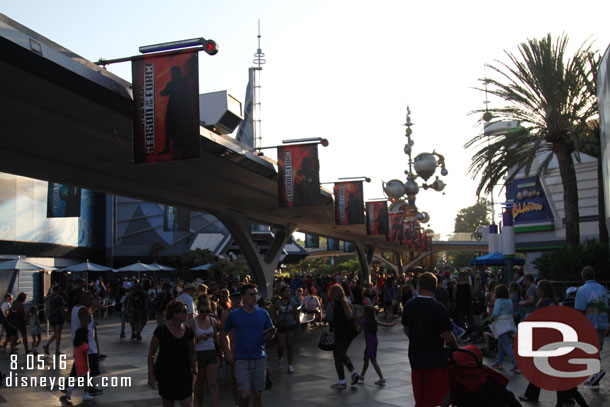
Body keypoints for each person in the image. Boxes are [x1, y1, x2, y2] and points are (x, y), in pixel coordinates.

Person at [520, 280, 589, 407]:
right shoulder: (554, 302)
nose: (536, 290)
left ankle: (534, 393)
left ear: (542, 290)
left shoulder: (543, 303)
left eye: (538, 288)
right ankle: (566, 395)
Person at [402, 272, 457, 407]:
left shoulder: (409, 305)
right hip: (435, 357)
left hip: (415, 356)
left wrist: (415, 338)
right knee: (435, 398)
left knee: (420, 397)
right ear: (435, 287)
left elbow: (406, 329)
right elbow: (447, 335)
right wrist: (454, 345)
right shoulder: (439, 308)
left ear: (419, 286)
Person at [223, 284, 276, 407]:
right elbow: (223, 333)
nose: (254, 297)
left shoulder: (263, 313)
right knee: (244, 394)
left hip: (259, 357)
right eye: (251, 294)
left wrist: (271, 334)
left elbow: (268, 336)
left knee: (258, 394)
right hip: (241, 359)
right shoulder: (234, 315)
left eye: (256, 294)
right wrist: (227, 351)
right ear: (243, 297)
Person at [148, 300, 196, 407]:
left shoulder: (188, 331)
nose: (187, 314)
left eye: (187, 311)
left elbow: (192, 353)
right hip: (166, 374)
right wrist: (150, 375)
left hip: (184, 373)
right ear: (174, 314)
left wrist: (194, 372)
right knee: (169, 404)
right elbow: (151, 354)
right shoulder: (161, 330)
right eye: (184, 311)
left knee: (188, 404)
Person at [575, 266, 608, 386]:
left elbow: (579, 310)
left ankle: (597, 372)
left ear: (582, 276)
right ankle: (596, 375)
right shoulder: (602, 289)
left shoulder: (582, 290)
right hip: (601, 323)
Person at [325, 284, 359, 390]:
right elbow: (352, 316)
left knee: (337, 356)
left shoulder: (332, 304)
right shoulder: (347, 303)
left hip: (339, 333)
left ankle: (342, 381)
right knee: (342, 353)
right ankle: (353, 373)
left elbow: (328, 318)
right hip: (351, 332)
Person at [188, 295, 219, 407]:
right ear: (198, 309)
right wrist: (199, 338)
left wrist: (221, 351)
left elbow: (216, 337)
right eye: (202, 311)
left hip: (211, 351)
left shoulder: (212, 320)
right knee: (200, 383)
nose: (205, 314)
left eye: (207, 311)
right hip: (198, 353)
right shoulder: (193, 322)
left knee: (213, 383)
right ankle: (200, 404)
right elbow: (188, 342)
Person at [357, 305, 394, 385]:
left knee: (373, 360)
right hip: (374, 341)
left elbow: (359, 331)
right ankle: (362, 375)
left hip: (369, 343)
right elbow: (383, 324)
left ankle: (381, 378)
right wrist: (390, 324)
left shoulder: (364, 321)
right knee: (366, 358)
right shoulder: (374, 320)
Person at [489, 284, 518, 372]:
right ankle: (499, 361)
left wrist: (491, 318)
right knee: (501, 344)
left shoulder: (499, 301)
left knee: (506, 345)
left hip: (501, 324)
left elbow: (496, 313)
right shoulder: (509, 300)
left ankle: (516, 363)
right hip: (510, 324)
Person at [60, 327, 94, 404]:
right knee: (85, 379)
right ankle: (83, 392)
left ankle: (73, 389)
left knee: (83, 379)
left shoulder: (76, 345)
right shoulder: (85, 345)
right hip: (83, 363)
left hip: (77, 363)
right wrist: (88, 365)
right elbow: (86, 356)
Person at [271, 285, 298, 373]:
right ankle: (280, 357)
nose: (287, 293)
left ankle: (290, 364)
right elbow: (274, 313)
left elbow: (296, 314)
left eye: (289, 291)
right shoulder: (278, 302)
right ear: (282, 293)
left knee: (290, 345)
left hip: (291, 324)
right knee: (281, 345)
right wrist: (274, 322)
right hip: (281, 325)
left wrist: (298, 324)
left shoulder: (293, 302)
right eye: (286, 291)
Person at [44, 285, 66, 355]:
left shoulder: (49, 297)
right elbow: (61, 308)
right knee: (58, 334)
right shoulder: (59, 298)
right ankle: (57, 350)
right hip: (58, 317)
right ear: (58, 290)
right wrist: (65, 316)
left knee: (56, 333)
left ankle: (47, 345)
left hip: (51, 317)